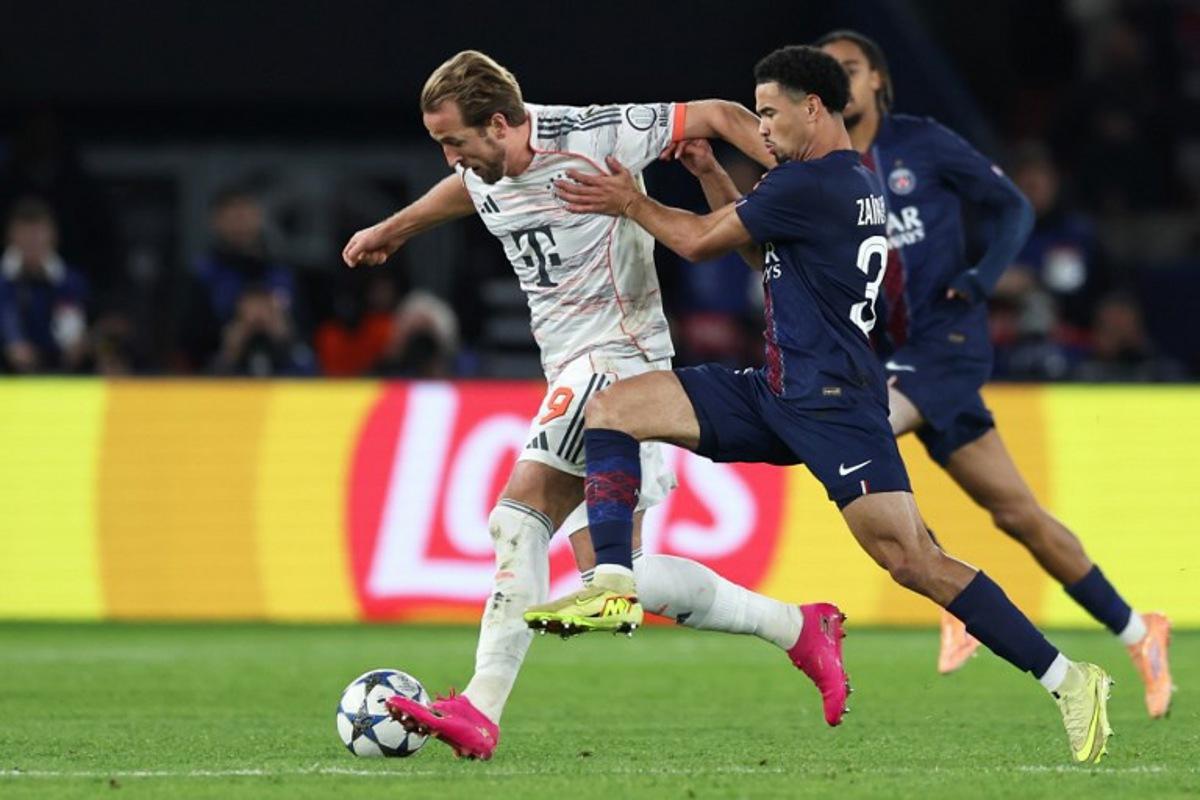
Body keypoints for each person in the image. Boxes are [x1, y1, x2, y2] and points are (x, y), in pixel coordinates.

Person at [535, 44, 1113, 764]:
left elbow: (695, 243)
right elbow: (756, 251)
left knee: (914, 561)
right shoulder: (843, 179)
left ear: (814, 108)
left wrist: (629, 199)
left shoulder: (808, 184)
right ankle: (613, 582)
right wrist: (714, 173)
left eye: (770, 115)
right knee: (614, 407)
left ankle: (1071, 679)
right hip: (779, 390)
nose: (763, 130)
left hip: (837, 405)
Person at [341, 50, 850, 761]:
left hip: (619, 358)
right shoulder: (484, 167)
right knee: (619, 575)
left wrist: (791, 175)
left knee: (515, 518)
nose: (450, 157)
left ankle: (480, 708)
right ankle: (799, 627)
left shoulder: (594, 134)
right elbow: (469, 192)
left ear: (498, 123)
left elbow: (714, 114)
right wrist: (394, 229)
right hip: (572, 364)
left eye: (453, 140)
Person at [815, 30, 1171, 715]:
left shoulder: (924, 142)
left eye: (850, 69)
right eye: (827, 73)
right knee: (1019, 515)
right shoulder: (825, 167)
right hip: (883, 354)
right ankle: (1137, 628)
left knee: (856, 428)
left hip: (944, 342)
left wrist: (980, 278)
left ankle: (949, 594)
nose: (839, 81)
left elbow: (1013, 205)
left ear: (879, 80)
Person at [0, 198, 89, 373]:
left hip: (60, 371)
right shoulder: (3, 281)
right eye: (25, 234)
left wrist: (78, 345)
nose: (32, 241)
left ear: (53, 235)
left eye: (38, 233)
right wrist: (10, 346)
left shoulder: (70, 281)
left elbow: (76, 326)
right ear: (11, 235)